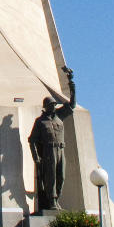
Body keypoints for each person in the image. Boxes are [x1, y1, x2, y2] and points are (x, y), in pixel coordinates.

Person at [28, 67, 76, 212]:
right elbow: (32, 140)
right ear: (46, 107)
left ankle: (57, 199)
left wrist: (71, 84)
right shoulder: (40, 122)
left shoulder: (59, 116)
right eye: (51, 105)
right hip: (48, 151)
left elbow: (72, 104)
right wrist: (36, 157)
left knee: (61, 176)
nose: (53, 107)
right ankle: (52, 201)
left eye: (54, 105)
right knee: (51, 177)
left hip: (61, 149)